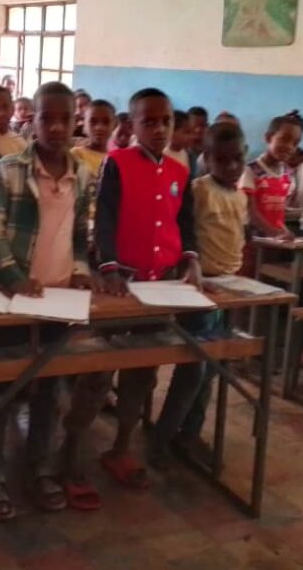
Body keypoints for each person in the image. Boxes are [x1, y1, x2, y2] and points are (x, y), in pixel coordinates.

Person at [0, 82, 94, 519]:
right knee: (0, 382)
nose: (57, 127)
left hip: (58, 297)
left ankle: (39, 467)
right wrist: (13, 278)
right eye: (47, 118)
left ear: (75, 121)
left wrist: (80, 272)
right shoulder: (9, 169)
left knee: (50, 385)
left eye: (66, 119)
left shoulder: (82, 172)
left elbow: (80, 234)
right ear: (32, 121)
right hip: (17, 295)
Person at [95, 88, 201, 488]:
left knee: (143, 371)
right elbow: (104, 218)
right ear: (132, 125)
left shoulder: (179, 172)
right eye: (149, 122)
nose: (159, 129)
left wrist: (191, 259)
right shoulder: (117, 163)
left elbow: (184, 222)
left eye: (166, 122)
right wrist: (108, 267)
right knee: (97, 370)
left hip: (160, 285)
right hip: (120, 285)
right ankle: (71, 450)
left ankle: (121, 448)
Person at [151, 121, 247, 469]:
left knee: (213, 367)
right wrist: (193, 271)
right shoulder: (198, 190)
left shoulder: (240, 195)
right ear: (206, 158)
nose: (232, 167)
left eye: (237, 159)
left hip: (229, 290)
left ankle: (189, 433)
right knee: (193, 368)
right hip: (199, 290)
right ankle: (162, 438)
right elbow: (183, 236)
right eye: (222, 160)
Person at [242, 111, 303, 243]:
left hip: (276, 243)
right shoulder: (250, 171)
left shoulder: (288, 175)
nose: (290, 147)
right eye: (284, 139)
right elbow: (250, 212)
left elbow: (281, 213)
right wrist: (274, 233)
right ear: (268, 137)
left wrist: (284, 232)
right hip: (254, 242)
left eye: (295, 143)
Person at [72, 99, 116, 177]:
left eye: (106, 122)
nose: (99, 127)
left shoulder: (115, 159)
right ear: (84, 125)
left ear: (114, 125)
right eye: (93, 122)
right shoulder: (76, 154)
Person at [164, 110, 195, 175]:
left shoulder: (187, 155)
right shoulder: (162, 155)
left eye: (192, 132)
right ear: (171, 132)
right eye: (187, 132)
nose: (191, 137)